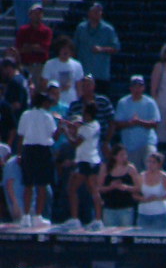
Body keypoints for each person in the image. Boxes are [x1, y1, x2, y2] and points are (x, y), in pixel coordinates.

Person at [16, 91, 57, 229]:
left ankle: (27, 216)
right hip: (42, 151)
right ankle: (37, 216)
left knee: (29, 184)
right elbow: (53, 137)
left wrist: (19, 154)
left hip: (28, 150)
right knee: (41, 185)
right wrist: (62, 129)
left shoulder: (25, 115)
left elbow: (20, 136)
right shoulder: (47, 116)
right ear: (43, 102)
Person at [61, 101, 103, 230]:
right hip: (92, 161)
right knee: (93, 191)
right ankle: (98, 220)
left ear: (89, 114)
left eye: (84, 113)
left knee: (72, 189)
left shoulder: (87, 128)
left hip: (85, 162)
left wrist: (65, 131)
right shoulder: (96, 125)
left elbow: (75, 143)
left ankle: (75, 219)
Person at [114, 75, 161, 171]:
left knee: (151, 166)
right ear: (130, 88)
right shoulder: (123, 102)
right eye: (135, 86)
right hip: (130, 146)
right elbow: (118, 123)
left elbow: (155, 123)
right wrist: (130, 123)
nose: (137, 89)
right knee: (134, 173)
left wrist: (139, 122)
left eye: (139, 86)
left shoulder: (150, 102)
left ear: (143, 88)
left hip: (147, 143)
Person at [72, 2, 120, 95]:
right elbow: (74, 47)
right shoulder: (81, 28)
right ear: (89, 13)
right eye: (95, 11)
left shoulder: (108, 29)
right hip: (84, 73)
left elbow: (116, 47)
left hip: (100, 74)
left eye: (99, 11)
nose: (97, 13)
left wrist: (102, 49)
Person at [98, 147, 140, 227]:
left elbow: (138, 188)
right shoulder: (105, 168)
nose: (124, 157)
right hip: (109, 208)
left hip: (126, 208)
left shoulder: (130, 168)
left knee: (126, 235)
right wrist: (111, 187)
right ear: (115, 156)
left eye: (125, 154)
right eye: (122, 155)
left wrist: (126, 188)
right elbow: (99, 188)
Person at [14, 2, 52, 89]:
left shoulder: (46, 31)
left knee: (39, 89)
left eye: (39, 13)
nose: (37, 15)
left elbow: (44, 48)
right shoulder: (23, 30)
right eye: (35, 13)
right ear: (30, 15)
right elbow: (19, 48)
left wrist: (28, 47)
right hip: (26, 65)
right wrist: (36, 47)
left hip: (40, 66)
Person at [135, 152, 166, 231]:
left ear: (159, 164)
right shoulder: (141, 176)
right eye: (149, 161)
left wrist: (158, 198)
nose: (150, 164)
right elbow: (134, 194)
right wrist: (143, 199)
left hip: (160, 214)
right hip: (143, 213)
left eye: (153, 162)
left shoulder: (164, 177)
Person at [40, 36, 83, 107]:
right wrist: (58, 90)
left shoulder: (77, 65)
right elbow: (44, 85)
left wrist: (79, 102)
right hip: (54, 103)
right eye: (63, 48)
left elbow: (79, 87)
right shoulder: (49, 64)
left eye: (68, 49)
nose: (65, 51)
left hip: (71, 101)